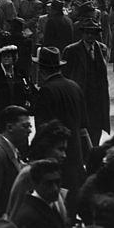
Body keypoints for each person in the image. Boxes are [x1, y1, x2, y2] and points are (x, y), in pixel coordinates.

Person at [33, 46, 89, 217]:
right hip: (76, 155)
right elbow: (84, 126)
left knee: (58, 206)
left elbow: (42, 130)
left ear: (41, 70)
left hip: (56, 157)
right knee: (73, 200)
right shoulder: (74, 86)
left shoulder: (45, 91)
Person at [62, 20, 110, 147]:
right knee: (80, 130)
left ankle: (93, 156)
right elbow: (65, 76)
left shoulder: (102, 49)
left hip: (98, 98)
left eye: (93, 33)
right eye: (87, 32)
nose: (90, 36)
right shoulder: (71, 50)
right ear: (82, 34)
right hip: (81, 97)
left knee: (96, 129)